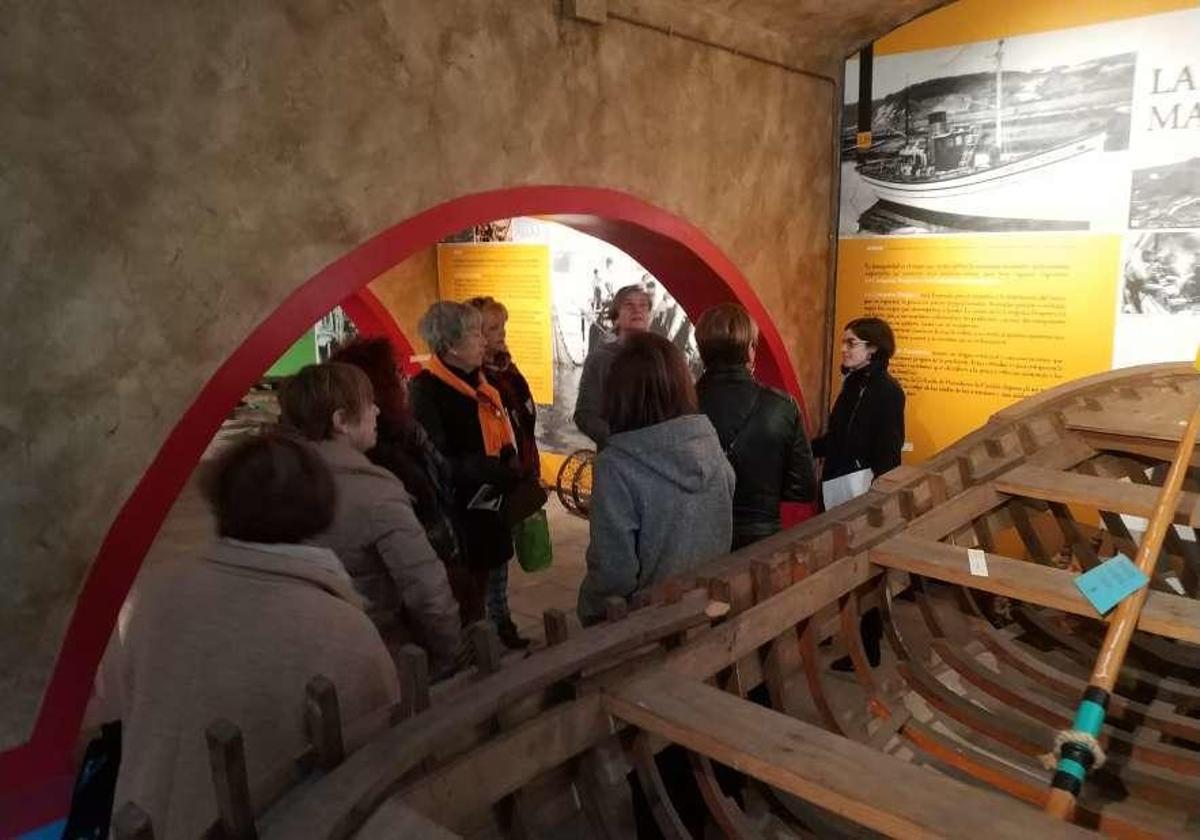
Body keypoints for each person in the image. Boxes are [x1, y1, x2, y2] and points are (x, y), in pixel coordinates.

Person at [87, 434, 400, 839]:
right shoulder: (339, 626)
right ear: (321, 506)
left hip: (143, 816)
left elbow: (116, 701)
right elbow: (377, 759)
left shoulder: (154, 591)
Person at [280, 362, 463, 677]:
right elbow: (426, 589)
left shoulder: (273, 478)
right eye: (367, 405)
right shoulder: (375, 493)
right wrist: (450, 652)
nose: (377, 411)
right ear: (341, 421)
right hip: (369, 651)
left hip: (294, 650)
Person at [577, 331, 734, 625]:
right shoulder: (710, 446)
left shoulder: (616, 466)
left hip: (650, 627)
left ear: (619, 393)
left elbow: (612, 576)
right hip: (709, 612)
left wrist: (587, 608)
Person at [329, 338, 469, 623]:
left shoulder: (408, 433)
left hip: (446, 564)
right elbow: (414, 570)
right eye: (395, 372)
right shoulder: (378, 462)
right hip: (411, 608)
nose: (404, 377)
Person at [408, 301, 524, 639]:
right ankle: (479, 640)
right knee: (471, 579)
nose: (484, 341)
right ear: (450, 345)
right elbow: (437, 456)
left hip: (491, 498)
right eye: (475, 333)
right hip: (461, 507)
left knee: (498, 565)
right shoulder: (427, 391)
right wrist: (488, 468)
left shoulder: (482, 382)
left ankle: (502, 624)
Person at [812, 316, 905, 668]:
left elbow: (888, 451)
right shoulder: (852, 385)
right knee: (837, 569)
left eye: (851, 343)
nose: (844, 349)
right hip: (838, 487)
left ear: (873, 348)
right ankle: (843, 635)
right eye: (844, 342)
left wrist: (879, 497)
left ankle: (867, 648)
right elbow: (839, 437)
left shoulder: (887, 391)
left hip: (860, 492)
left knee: (864, 574)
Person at [695, 303, 816, 549]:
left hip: (696, 538)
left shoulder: (679, 404)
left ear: (701, 349)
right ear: (750, 349)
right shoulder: (781, 406)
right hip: (760, 541)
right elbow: (803, 488)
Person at [466, 295, 546, 649]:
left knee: (503, 556)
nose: (501, 334)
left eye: (502, 326)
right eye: (493, 328)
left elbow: (523, 419)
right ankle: (494, 625)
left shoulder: (506, 369)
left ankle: (499, 618)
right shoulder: (474, 379)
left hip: (517, 471)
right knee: (492, 559)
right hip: (493, 480)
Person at [573, 284, 652, 447]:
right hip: (616, 461)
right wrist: (622, 442)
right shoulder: (600, 360)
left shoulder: (664, 357)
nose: (637, 310)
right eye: (629, 304)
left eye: (643, 305)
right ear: (616, 316)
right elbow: (585, 415)